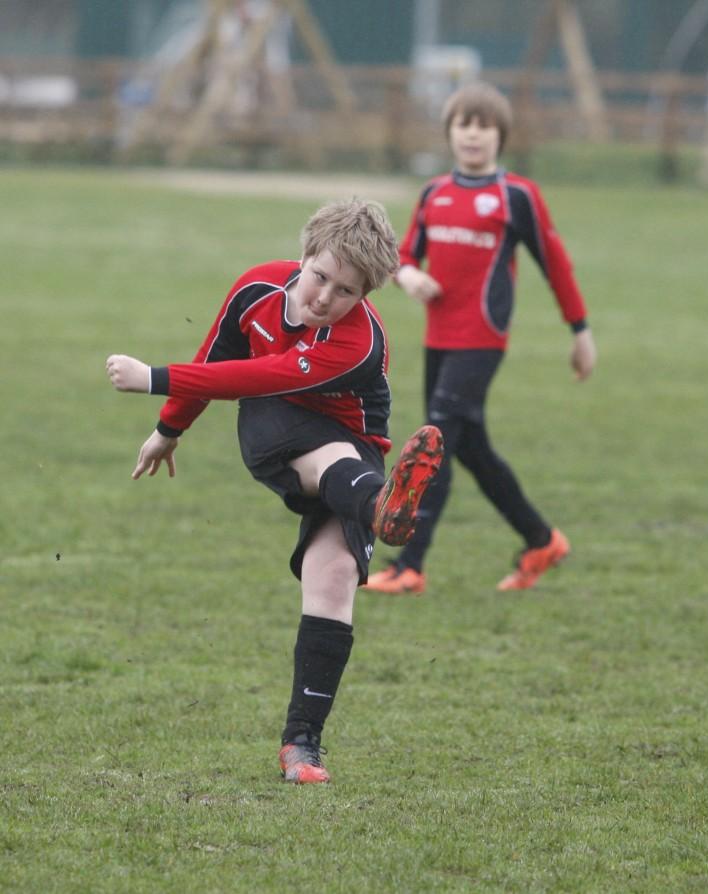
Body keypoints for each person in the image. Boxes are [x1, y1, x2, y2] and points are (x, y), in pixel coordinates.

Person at [105, 198, 445, 785]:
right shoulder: (255, 288)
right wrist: (168, 427)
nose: (324, 299)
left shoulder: (357, 341)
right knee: (306, 437)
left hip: (353, 456)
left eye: (345, 292)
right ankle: (378, 505)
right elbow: (223, 362)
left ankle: (302, 747)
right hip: (272, 428)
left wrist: (151, 377)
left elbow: (259, 372)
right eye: (319, 277)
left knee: (334, 579)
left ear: (365, 296)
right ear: (304, 254)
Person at [363, 81, 596, 595]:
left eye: (484, 126)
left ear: (500, 136)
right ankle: (541, 540)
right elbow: (402, 255)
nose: (473, 135)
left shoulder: (516, 196)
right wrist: (408, 277)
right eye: (463, 125)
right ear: (449, 134)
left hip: (482, 340)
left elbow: (555, 264)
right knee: (473, 452)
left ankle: (409, 567)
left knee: (434, 447)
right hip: (438, 340)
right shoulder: (434, 193)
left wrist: (580, 332)